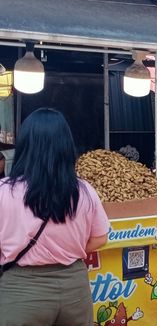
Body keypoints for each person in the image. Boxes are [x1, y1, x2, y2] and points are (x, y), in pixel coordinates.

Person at [0, 108, 110, 325]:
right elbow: (100, 238)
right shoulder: (84, 191)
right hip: (74, 289)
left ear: (25, 146)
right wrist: (68, 248)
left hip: (21, 290)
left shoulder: (4, 191)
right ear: (65, 147)